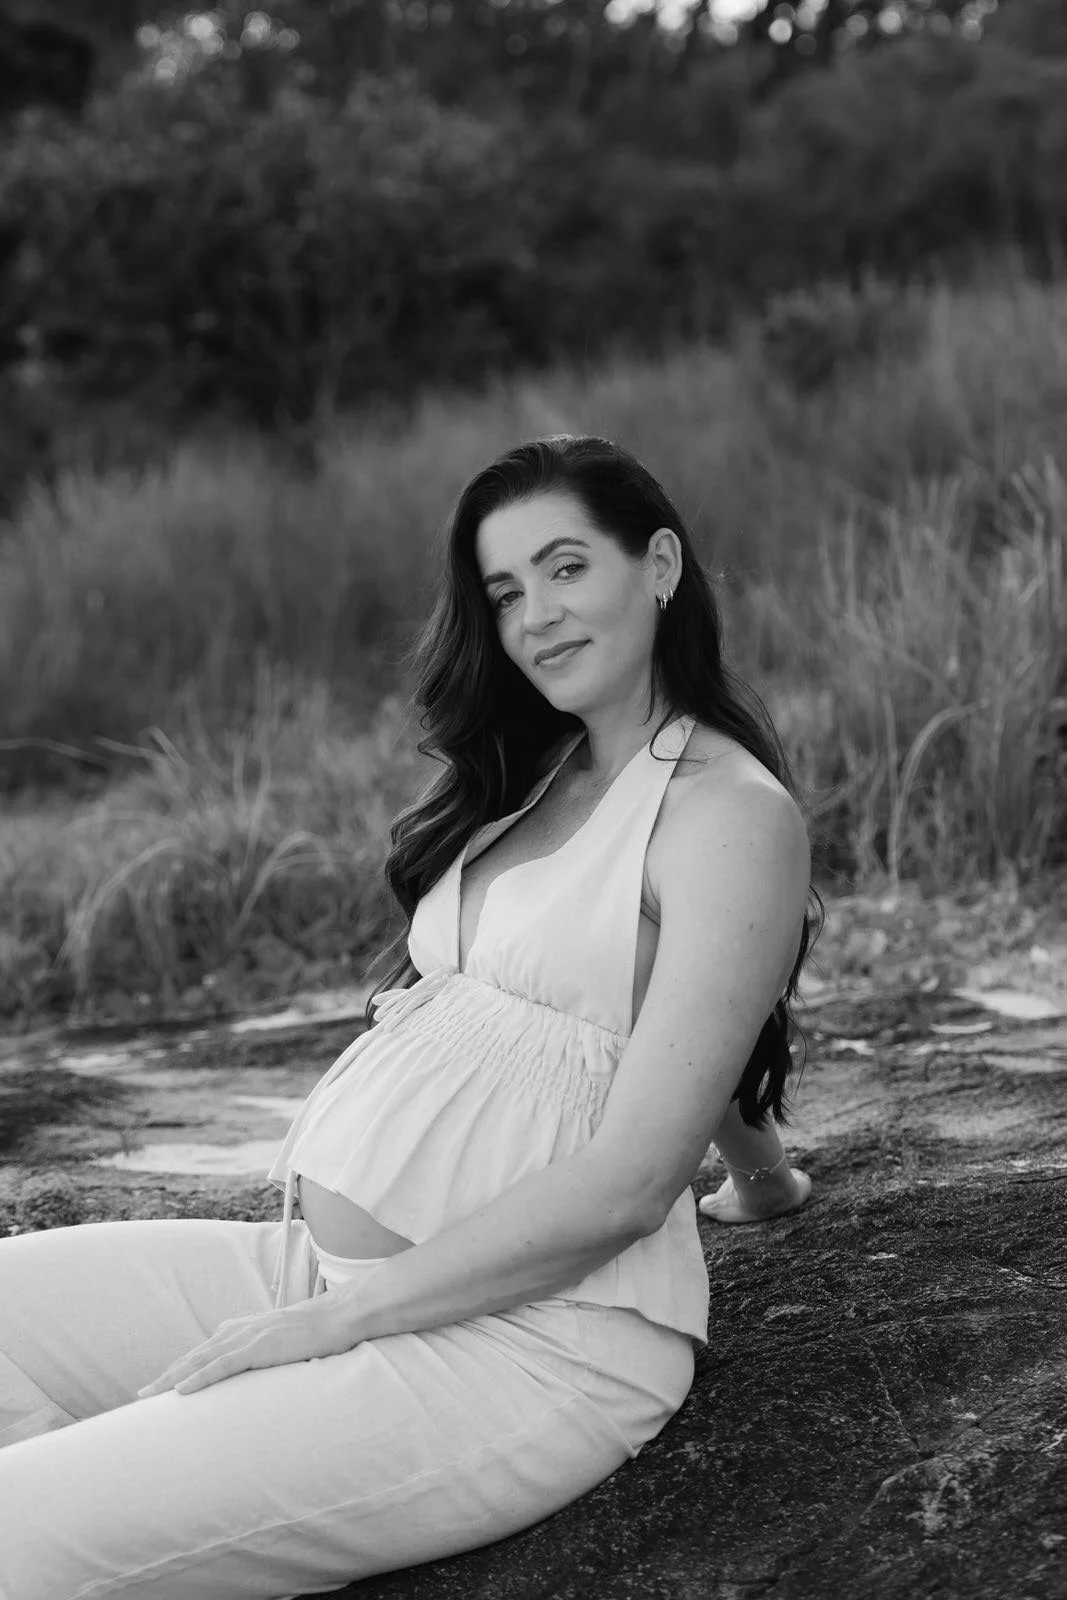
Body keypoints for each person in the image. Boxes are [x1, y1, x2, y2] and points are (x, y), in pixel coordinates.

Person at [0, 434, 821, 1600]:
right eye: (504, 591)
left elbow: (633, 1180)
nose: (535, 615)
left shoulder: (726, 813)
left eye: (564, 567)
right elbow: (673, 1030)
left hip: (526, 1344)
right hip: (326, 1275)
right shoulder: (543, 770)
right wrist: (764, 1177)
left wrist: (337, 1328)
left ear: (658, 564)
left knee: (15, 1529)